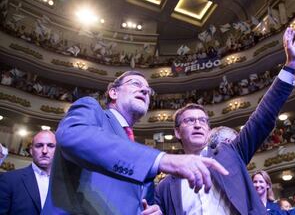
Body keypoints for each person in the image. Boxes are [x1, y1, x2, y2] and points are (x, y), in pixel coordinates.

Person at [155, 27, 295, 215]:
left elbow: (262, 117)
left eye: (203, 121)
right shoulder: (164, 187)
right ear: (176, 131)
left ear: (208, 129)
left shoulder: (231, 153)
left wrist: (290, 65)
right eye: (190, 121)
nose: (198, 124)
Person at [42, 70, 228, 214]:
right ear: (113, 92)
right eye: (136, 84)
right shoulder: (92, 110)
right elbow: (72, 135)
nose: (145, 90)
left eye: (148, 90)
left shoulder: (137, 152)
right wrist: (163, 159)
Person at [0, 130, 56, 214]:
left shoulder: (67, 184)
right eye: (39, 146)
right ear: (31, 151)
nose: (44, 151)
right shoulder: (9, 180)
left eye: (50, 146)